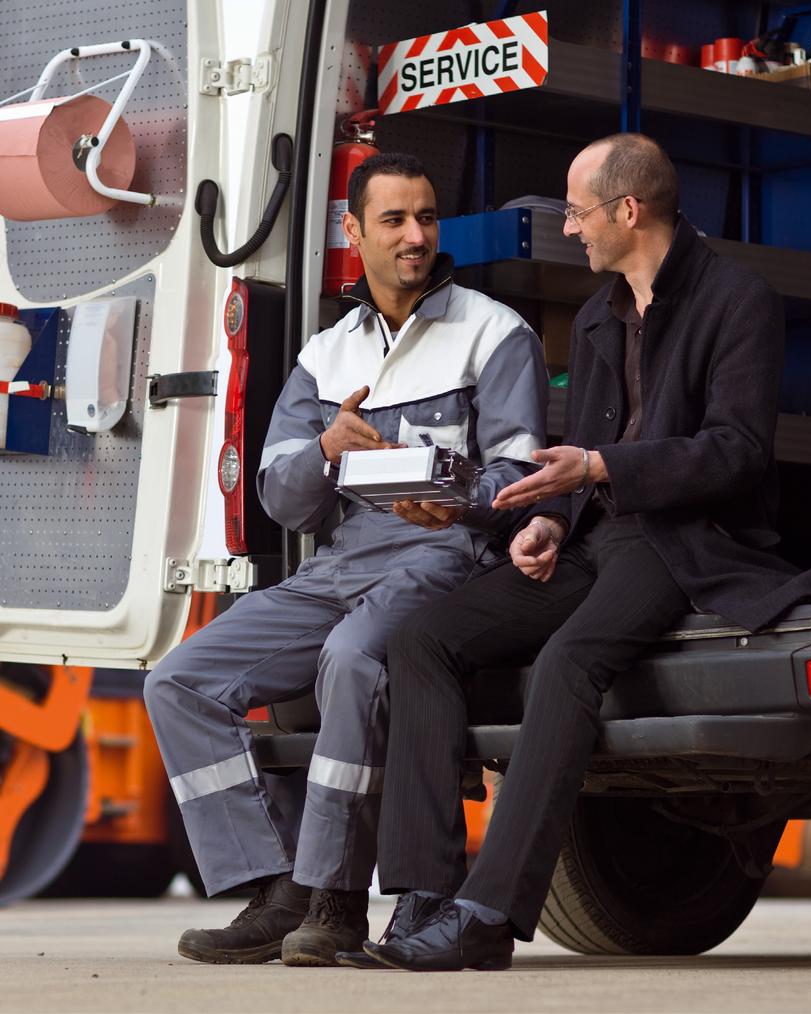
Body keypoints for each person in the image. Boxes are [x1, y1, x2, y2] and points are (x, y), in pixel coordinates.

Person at [364, 133, 811, 972]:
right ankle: (424, 897)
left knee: (570, 661)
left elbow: (735, 452)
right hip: (598, 535)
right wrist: (554, 517)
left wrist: (600, 467)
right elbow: (584, 452)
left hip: (689, 540)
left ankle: (485, 918)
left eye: (578, 212)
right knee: (421, 638)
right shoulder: (596, 315)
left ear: (629, 210)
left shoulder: (738, 301)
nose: (570, 229)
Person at [143, 152, 548, 966]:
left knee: (353, 659)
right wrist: (327, 446)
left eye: (426, 217)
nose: (415, 236)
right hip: (335, 564)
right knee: (178, 681)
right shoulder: (325, 355)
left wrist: (458, 496)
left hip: (441, 553)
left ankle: (336, 901)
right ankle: (277, 886)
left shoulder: (493, 331)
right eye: (394, 220)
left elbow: (523, 475)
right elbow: (282, 500)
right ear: (354, 232)